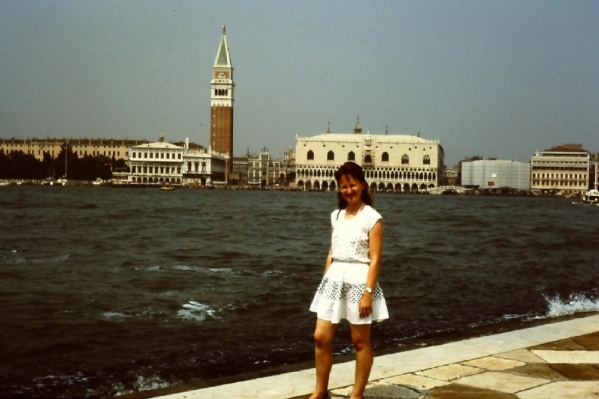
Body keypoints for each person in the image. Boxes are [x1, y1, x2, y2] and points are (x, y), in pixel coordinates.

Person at [309, 161, 389, 399]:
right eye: (343, 187)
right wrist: (325, 284)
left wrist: (367, 293)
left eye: (352, 185)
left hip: (359, 280)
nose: (348, 190)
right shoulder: (336, 216)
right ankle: (320, 391)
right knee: (320, 337)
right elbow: (332, 252)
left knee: (359, 341)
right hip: (333, 280)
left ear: (363, 185)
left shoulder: (372, 218)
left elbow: (375, 260)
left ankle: (357, 394)